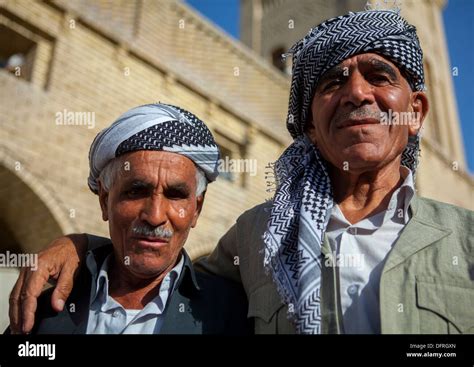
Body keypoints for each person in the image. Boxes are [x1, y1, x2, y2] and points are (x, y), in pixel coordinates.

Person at [9, 9, 474, 334]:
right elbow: (162, 261)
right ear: (309, 125)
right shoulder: (257, 236)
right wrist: (79, 245)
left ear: (415, 111)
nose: (356, 93)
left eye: (378, 75)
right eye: (332, 82)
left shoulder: (465, 240)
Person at [6, 103, 251, 334]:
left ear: (196, 209)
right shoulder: (43, 313)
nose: (155, 217)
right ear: (104, 200)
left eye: (175, 195)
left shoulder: (230, 316)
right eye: (136, 191)